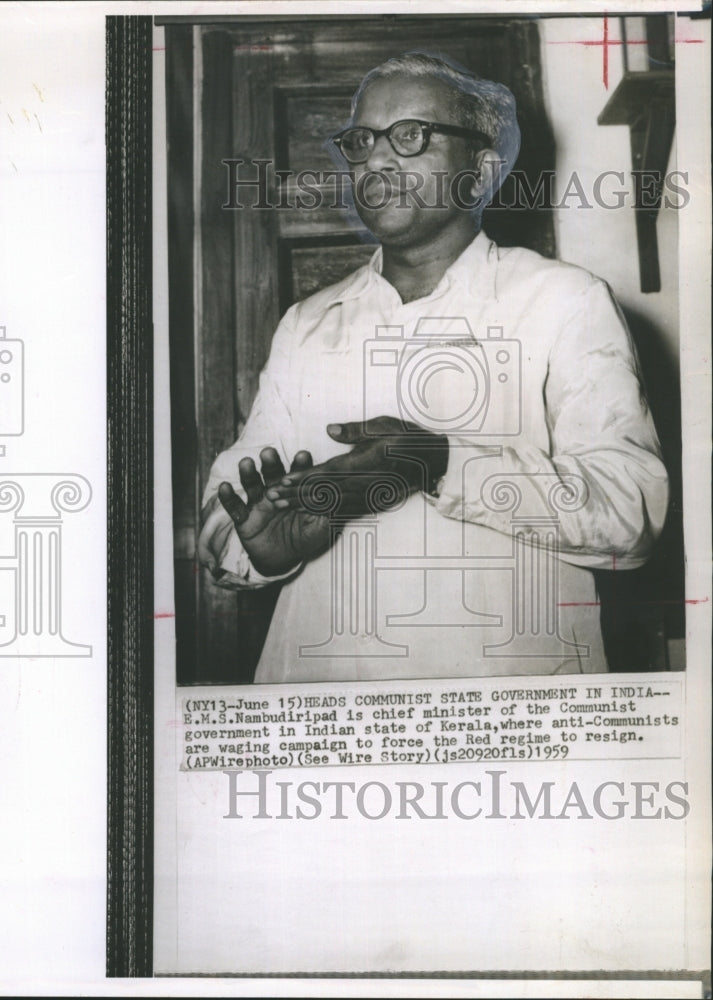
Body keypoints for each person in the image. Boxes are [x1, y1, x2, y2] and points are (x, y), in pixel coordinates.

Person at [198, 51, 668, 684]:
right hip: (323, 699)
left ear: (481, 172)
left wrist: (441, 463)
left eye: (410, 136)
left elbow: (630, 511)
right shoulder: (307, 323)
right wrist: (259, 549)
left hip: (508, 706)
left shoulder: (564, 301)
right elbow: (228, 511)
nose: (376, 160)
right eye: (361, 142)